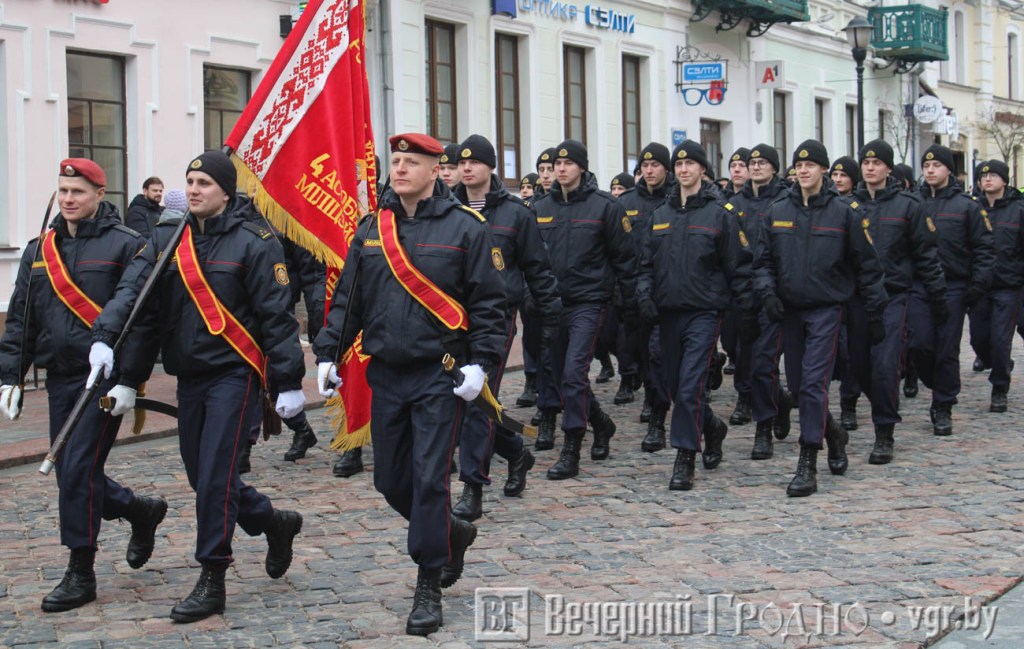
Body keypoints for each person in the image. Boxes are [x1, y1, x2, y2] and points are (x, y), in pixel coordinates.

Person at [88, 151, 306, 623]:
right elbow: (135, 299)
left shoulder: (255, 241)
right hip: (189, 376)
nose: (193, 189)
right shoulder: (167, 237)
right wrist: (112, 348)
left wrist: (288, 381)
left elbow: (277, 317)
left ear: (225, 192)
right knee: (201, 475)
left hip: (234, 374)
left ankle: (212, 573)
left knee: (215, 478)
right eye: (189, 181)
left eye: (204, 182)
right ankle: (274, 522)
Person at [313, 133, 507, 636]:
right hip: (387, 372)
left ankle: (428, 580)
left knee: (428, 477)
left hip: (438, 374)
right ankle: (449, 532)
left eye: (410, 162)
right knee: (390, 480)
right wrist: (329, 352)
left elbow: (490, 302)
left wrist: (482, 363)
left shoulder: (466, 229)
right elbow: (349, 300)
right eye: (395, 161)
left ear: (434, 170)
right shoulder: (371, 229)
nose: (398, 169)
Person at [0, 159, 167, 613]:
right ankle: (139, 510)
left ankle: (80, 570)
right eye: (63, 191)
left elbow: (141, 319)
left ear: (98, 194)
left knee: (75, 469)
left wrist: (129, 379)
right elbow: (21, 318)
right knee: (74, 473)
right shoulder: (40, 250)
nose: (69, 199)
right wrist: (11, 375)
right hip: (60, 376)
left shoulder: (126, 244)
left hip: (102, 380)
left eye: (77, 191)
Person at [754, 140, 887, 497]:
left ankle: (807, 459)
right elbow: (763, 261)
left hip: (827, 309)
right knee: (799, 387)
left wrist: (875, 312)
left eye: (810, 165)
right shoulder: (778, 210)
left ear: (823, 170)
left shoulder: (844, 212)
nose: (803, 170)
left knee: (814, 383)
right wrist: (768, 293)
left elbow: (867, 265)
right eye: (799, 165)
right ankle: (835, 434)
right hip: (790, 310)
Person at [450, 134, 561, 518]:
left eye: (475, 162)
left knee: (478, 402)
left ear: (491, 167)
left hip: (496, 318)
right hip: (451, 319)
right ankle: (515, 452)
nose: (466, 168)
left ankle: (472, 487)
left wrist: (550, 316)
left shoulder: (516, 213)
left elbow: (537, 268)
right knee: (460, 401)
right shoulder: (446, 209)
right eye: (462, 163)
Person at [637, 140, 755, 491]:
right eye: (679, 164)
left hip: (704, 313)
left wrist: (746, 313)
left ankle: (685, 456)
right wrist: (644, 296)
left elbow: (738, 267)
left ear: (703, 169)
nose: (684, 169)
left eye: (690, 164)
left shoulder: (720, 215)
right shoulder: (660, 215)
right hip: (668, 313)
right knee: (676, 387)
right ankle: (712, 427)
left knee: (690, 387)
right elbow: (645, 265)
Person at [531, 139, 638, 479]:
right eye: (556, 164)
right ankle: (601, 423)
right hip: (552, 304)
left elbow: (625, 259)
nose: (560, 169)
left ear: (582, 167)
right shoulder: (539, 206)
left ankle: (572, 446)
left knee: (574, 373)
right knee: (561, 376)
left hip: (589, 302)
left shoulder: (605, 206)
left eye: (568, 163)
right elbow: (531, 258)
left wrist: (629, 305)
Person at [846, 140, 946, 464]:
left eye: (876, 162)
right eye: (866, 162)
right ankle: (881, 403)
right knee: (858, 365)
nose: (870, 167)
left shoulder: (908, 206)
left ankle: (884, 430)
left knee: (885, 364)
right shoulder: (848, 205)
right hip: (858, 297)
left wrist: (937, 294)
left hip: (893, 295)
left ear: (888, 168)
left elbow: (926, 254)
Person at [909, 145, 994, 435]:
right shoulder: (914, 203)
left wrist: (978, 285)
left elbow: (984, 248)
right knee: (919, 344)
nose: (930, 170)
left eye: (936, 166)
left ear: (948, 170)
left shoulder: (967, 206)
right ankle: (937, 383)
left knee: (946, 348)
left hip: (953, 286)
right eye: (926, 166)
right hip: (919, 285)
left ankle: (943, 404)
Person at [728, 143, 795, 460]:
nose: (755, 167)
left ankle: (763, 426)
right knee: (744, 360)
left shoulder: (785, 201)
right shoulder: (733, 205)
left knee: (764, 362)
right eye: (752, 162)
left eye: (762, 162)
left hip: (773, 295)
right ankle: (779, 400)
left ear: (774, 168)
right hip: (741, 295)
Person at [618, 142, 677, 450]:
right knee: (641, 353)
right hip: (634, 290)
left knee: (659, 355)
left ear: (666, 168)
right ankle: (653, 397)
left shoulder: (676, 199)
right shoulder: (626, 201)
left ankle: (658, 410)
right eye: (645, 165)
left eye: (656, 165)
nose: (650, 171)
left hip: (669, 291)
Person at [971, 159, 1024, 412]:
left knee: (1001, 339)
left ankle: (1000, 387)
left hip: (1008, 285)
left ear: (1004, 180)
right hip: (979, 286)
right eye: (984, 176)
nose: (988, 179)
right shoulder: (973, 209)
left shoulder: (1018, 210)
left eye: (993, 175)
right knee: (978, 339)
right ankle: (998, 363)